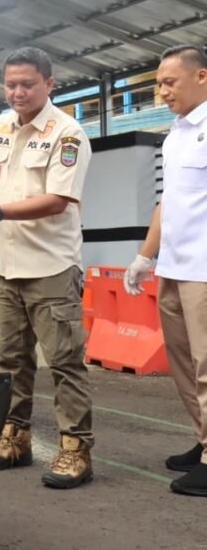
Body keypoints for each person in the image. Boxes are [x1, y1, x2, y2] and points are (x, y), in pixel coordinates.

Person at [0, 46, 94, 489]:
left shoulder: (66, 134)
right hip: (6, 265)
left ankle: (76, 449)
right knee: (9, 359)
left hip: (51, 265)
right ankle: (15, 438)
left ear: (49, 84)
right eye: (11, 83)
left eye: (27, 84)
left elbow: (57, 200)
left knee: (65, 360)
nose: (17, 91)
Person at [124, 44, 207, 496]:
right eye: (158, 83)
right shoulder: (175, 135)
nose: (161, 91)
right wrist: (145, 255)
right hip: (175, 266)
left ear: (202, 77)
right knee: (184, 364)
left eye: (169, 82)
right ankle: (203, 439)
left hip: (205, 269)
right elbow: (167, 203)